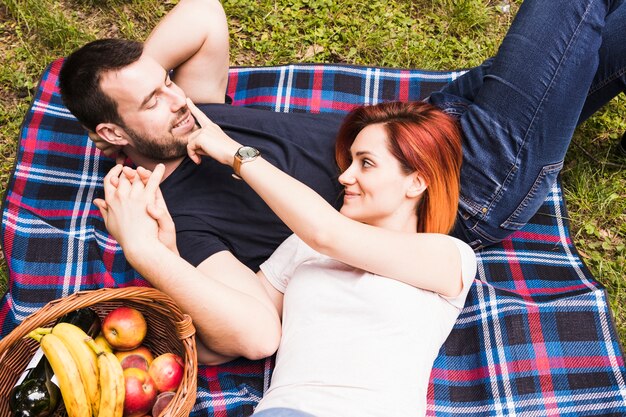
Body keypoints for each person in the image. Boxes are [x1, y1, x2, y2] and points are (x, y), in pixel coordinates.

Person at [59, 0, 626, 363]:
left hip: (433, 116)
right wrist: (147, 247)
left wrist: (139, 88)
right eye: (154, 101)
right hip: (466, 177)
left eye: (167, 83)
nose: (177, 98)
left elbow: (203, 14)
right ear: (110, 131)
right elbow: (256, 336)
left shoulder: (191, 117)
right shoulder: (177, 219)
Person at [98, 98, 478, 417]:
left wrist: (235, 154)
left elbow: (328, 232)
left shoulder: (448, 257)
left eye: (365, 163)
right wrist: (168, 251)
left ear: (417, 181)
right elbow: (238, 335)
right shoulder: (305, 247)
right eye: (348, 163)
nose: (344, 177)